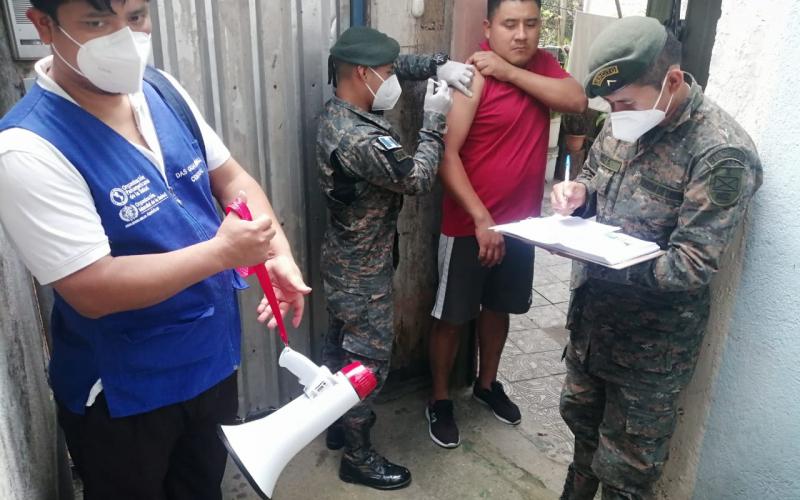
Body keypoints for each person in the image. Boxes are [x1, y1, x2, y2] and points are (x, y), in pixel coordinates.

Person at [0, 1, 311, 498]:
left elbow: (231, 178)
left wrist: (276, 252)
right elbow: (91, 289)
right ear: (43, 25)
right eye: (98, 22)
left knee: (202, 487)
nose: (125, 38)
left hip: (209, 363)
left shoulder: (162, 90)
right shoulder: (28, 147)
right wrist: (222, 254)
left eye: (136, 16)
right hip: (126, 395)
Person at [550, 17, 762, 500]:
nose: (615, 114)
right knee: (582, 433)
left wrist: (606, 257)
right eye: (610, 104)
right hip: (593, 327)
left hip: (649, 351)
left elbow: (692, 264)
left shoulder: (720, 152)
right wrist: (578, 195)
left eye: (624, 103)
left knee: (627, 471)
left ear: (672, 81)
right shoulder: (626, 118)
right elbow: (597, 180)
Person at [426, 0, 586, 449]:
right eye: (510, 24)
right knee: (452, 317)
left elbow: (577, 100)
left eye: (530, 24)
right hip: (469, 224)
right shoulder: (472, 76)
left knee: (499, 308)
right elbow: (446, 156)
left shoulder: (542, 66)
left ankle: (487, 384)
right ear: (488, 27)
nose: (521, 34)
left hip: (521, 226)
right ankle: (440, 399)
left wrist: (511, 72)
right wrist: (482, 220)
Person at [316, 26, 470, 490]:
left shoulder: (337, 111)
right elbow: (418, 178)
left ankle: (337, 426)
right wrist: (434, 120)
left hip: (343, 262)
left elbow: (395, 64)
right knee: (367, 367)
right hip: (364, 276)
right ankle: (358, 457)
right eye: (386, 71)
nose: (393, 78)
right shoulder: (360, 139)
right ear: (363, 74)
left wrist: (437, 64)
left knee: (340, 351)